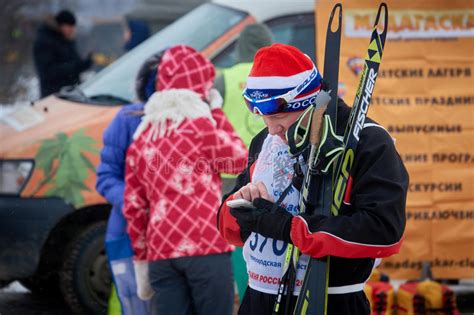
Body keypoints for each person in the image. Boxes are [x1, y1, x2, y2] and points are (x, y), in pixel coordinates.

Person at [217, 44, 409, 314]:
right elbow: (226, 225)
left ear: (308, 103)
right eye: (263, 118)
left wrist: (290, 228)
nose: (271, 129)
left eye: (279, 116)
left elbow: (385, 231)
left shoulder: (367, 141)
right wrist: (241, 207)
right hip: (259, 299)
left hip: (330, 299)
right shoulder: (266, 141)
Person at [122, 45, 248, 315]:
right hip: (206, 248)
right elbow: (238, 160)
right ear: (202, 88)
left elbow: (134, 207)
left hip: (161, 253)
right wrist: (215, 112)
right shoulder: (202, 126)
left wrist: (142, 259)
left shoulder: (143, 137)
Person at [96, 49, 168, 315]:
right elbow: (106, 176)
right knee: (136, 307)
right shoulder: (127, 120)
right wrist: (136, 202)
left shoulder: (192, 124)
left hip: (175, 238)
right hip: (126, 235)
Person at [214, 22, 273, 301]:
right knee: (257, 233)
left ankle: (233, 292)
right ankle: (253, 286)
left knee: (230, 229)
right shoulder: (272, 77)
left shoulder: (223, 79)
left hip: (227, 172)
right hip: (265, 165)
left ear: (239, 47)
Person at [33, 10, 93, 97]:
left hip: (71, 94)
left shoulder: (66, 40)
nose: (72, 30)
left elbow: (73, 63)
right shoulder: (45, 41)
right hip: (53, 96)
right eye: (70, 26)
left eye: (73, 27)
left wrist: (84, 64)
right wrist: (75, 66)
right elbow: (47, 72)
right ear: (61, 25)